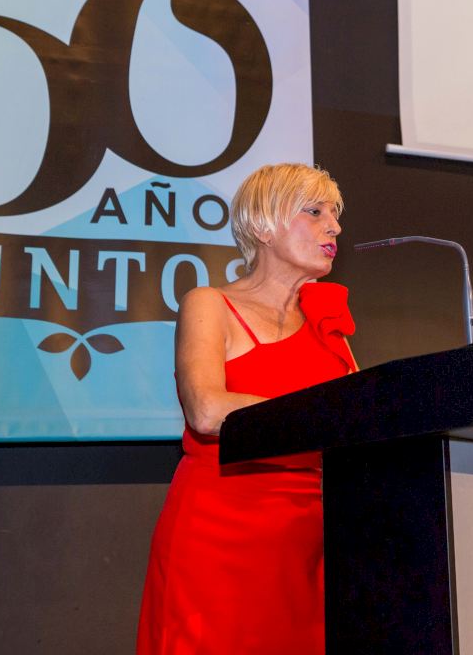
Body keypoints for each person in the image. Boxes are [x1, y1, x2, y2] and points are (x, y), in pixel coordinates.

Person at [137, 163, 356, 654]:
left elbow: (362, 425)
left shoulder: (328, 323)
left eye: (335, 215)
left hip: (310, 544)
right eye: (315, 212)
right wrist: (325, 417)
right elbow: (206, 410)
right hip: (218, 533)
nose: (334, 227)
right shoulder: (209, 303)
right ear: (263, 226)